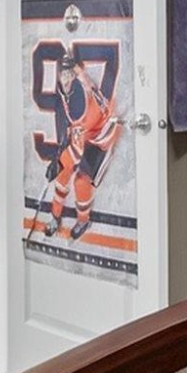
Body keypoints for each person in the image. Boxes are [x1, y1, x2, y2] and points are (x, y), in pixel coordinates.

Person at [42, 48, 122, 241]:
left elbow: (76, 149)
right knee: (63, 172)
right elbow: (81, 81)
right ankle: (55, 215)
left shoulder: (83, 110)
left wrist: (59, 163)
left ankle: (83, 219)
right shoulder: (76, 88)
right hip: (85, 132)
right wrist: (74, 67)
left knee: (80, 180)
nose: (65, 81)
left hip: (101, 138)